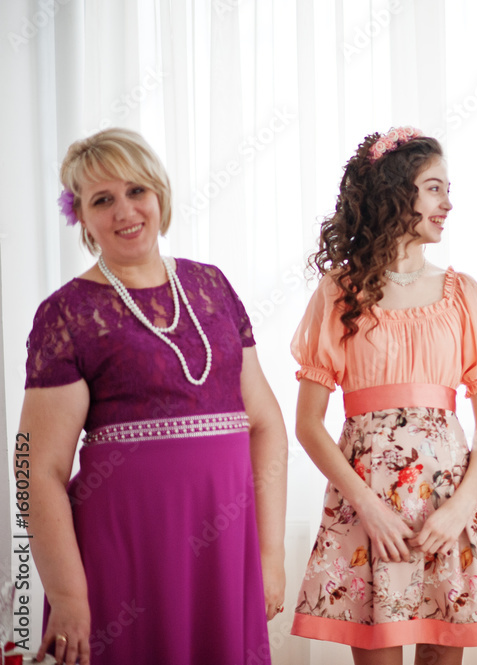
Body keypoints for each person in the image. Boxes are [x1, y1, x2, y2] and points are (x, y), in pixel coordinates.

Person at [20, 128, 287, 664]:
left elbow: (265, 423)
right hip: (124, 555)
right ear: (82, 217)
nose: (125, 211)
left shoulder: (213, 286)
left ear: (159, 194)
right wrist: (69, 597)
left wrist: (271, 556)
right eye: (103, 200)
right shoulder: (66, 314)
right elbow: (34, 468)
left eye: (136, 190)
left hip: (224, 548)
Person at [289, 127, 477, 665]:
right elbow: (309, 425)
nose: (448, 203)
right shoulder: (339, 292)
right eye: (434, 188)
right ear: (393, 192)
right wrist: (368, 506)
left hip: (446, 506)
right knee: (379, 654)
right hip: (367, 508)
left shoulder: (464, 293)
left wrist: (460, 508)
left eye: (448, 188)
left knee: (441, 653)